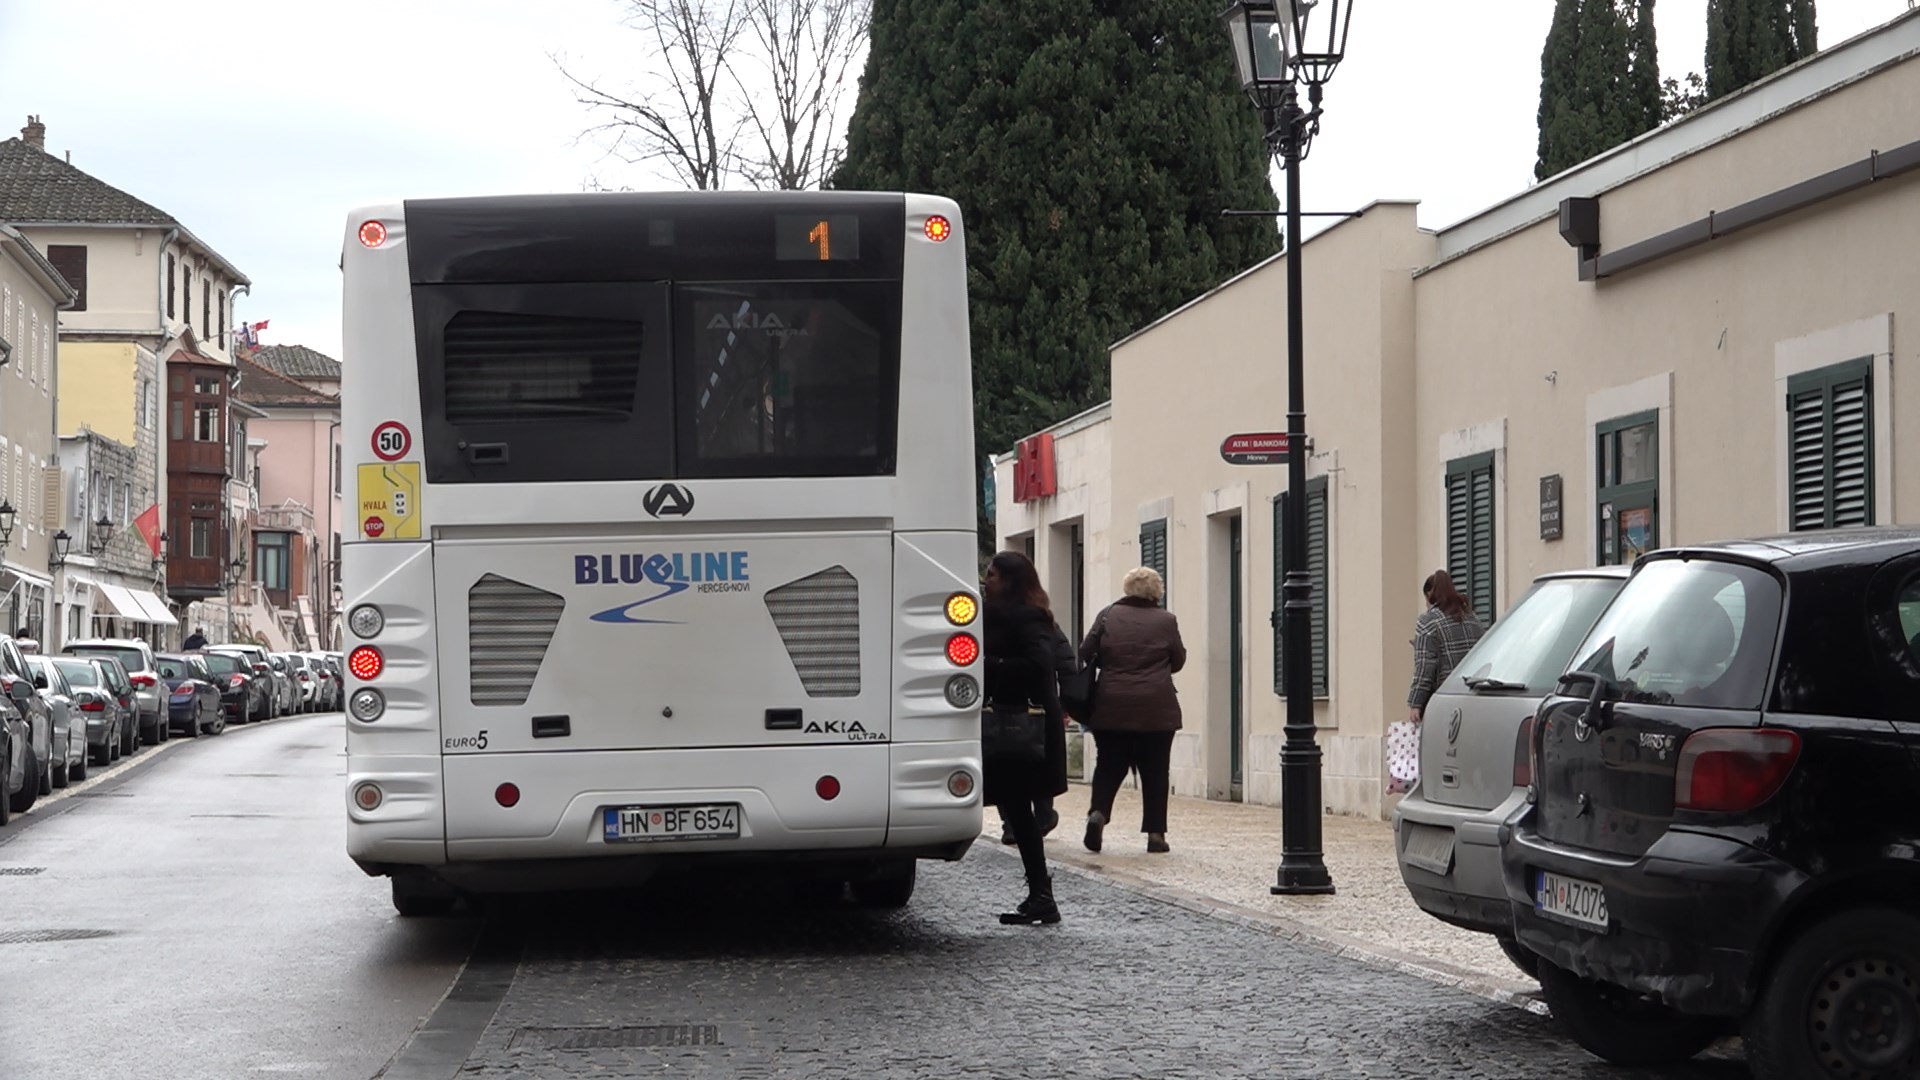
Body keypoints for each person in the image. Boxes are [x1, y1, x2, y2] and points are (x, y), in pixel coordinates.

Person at [981, 551, 1068, 926]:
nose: (986, 580)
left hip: (1021, 726)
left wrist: (988, 666)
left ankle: (1042, 896)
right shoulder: (1004, 614)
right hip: (1014, 725)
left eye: (992, 574)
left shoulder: (1027, 617)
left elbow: (1037, 665)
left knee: (1020, 811)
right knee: (1019, 812)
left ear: (1010, 581)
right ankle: (1040, 895)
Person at [1079, 566, 1186, 855]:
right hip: (1157, 709)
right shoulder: (1166, 620)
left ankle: (1098, 813)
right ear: (1156, 591)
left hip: (1111, 706)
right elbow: (1177, 661)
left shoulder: (1107, 615)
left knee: (1108, 765)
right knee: (1156, 770)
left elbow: (1084, 652)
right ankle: (1155, 834)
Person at [998, 622, 1072, 846]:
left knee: (1005, 762)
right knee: (1039, 758)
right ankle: (1042, 816)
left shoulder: (994, 621)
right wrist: (1067, 704)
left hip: (1002, 703)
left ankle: (1011, 823)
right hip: (1041, 704)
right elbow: (1066, 665)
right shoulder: (1046, 625)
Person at [1406, 570, 1487, 724]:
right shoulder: (1472, 618)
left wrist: (1416, 703)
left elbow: (1425, 666)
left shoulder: (1428, 621)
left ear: (1430, 595)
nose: (1426, 605)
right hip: (1474, 699)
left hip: (1445, 701)